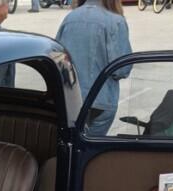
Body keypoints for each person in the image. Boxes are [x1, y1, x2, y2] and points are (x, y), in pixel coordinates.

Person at [55, 0, 132, 136]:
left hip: (71, 99)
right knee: (89, 152)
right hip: (101, 100)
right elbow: (122, 69)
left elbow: (57, 58)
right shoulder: (116, 21)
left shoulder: (69, 18)